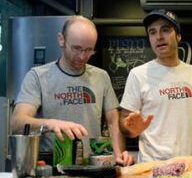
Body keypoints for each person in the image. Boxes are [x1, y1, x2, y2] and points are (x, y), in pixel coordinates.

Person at [118, 10, 192, 162]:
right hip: (154, 165)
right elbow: (124, 122)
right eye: (152, 32)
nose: (159, 37)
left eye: (165, 30)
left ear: (178, 36)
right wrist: (131, 129)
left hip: (191, 163)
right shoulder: (138, 74)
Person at [11, 15, 134, 166]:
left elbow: (113, 122)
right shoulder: (38, 76)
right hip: (51, 166)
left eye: (89, 50)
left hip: (91, 166)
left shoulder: (101, 77)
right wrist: (50, 123)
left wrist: (118, 155)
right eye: (76, 48)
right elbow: (17, 122)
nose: (82, 56)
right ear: (61, 40)